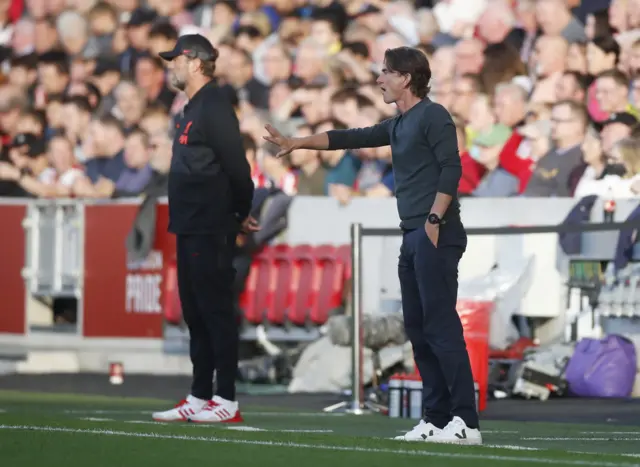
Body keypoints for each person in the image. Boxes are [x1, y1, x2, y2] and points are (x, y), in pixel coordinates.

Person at [264, 46, 482, 445]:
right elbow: (348, 137)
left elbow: (452, 167)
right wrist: (298, 142)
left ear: (407, 77)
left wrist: (434, 219)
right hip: (412, 235)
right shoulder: (399, 123)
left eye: (386, 72)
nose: (379, 79)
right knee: (417, 330)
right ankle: (435, 418)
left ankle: (465, 421)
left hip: (436, 232)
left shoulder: (433, 115)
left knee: (441, 328)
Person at [151, 34, 258, 424]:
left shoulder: (214, 105)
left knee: (215, 311)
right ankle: (199, 395)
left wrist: (239, 212)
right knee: (195, 312)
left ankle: (226, 398)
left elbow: (238, 168)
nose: (170, 67)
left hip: (212, 224)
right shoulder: (191, 106)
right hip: (191, 224)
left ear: (195, 62)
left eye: (175, 59)